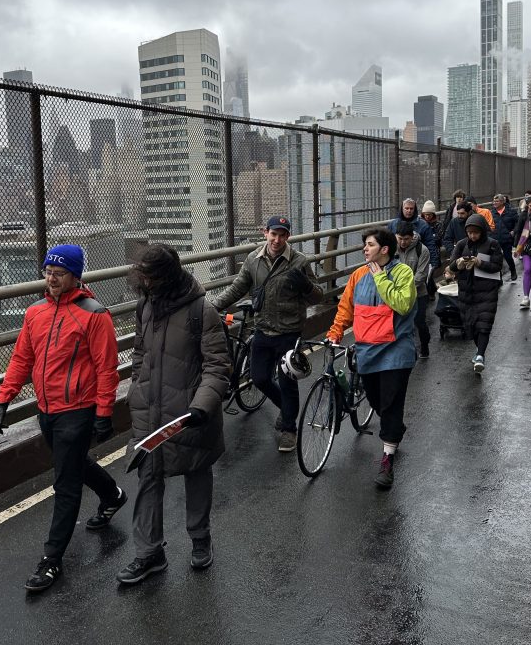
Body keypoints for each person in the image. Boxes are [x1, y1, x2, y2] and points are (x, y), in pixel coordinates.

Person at [0, 244, 125, 593]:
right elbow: (22, 358)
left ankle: (51, 560)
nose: (51, 278)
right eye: (48, 271)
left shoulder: (95, 315)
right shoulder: (35, 312)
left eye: (59, 273)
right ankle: (113, 496)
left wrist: (103, 412)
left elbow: (106, 369)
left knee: (65, 484)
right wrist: (3, 398)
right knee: (74, 464)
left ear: (75, 276)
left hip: (77, 410)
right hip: (46, 410)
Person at [116, 244, 229, 584]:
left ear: (168, 276)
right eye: (143, 277)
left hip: (190, 414)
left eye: (151, 278)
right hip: (149, 414)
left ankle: (200, 539)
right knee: (148, 478)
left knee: (197, 475)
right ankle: (149, 553)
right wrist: (137, 387)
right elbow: (140, 353)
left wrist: (202, 405)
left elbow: (218, 366)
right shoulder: (145, 306)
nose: (145, 283)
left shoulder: (201, 310)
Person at [211, 215, 323, 452]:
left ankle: (289, 430)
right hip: (262, 328)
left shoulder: (299, 261)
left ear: (288, 237)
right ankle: (287, 409)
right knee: (260, 378)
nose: (277, 239)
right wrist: (212, 308)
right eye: (274, 234)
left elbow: (318, 296)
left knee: (287, 381)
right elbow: (237, 288)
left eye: (282, 235)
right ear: (265, 233)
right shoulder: (253, 260)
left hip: (289, 332)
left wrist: (306, 285)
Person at [327, 227, 417, 488]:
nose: (365, 249)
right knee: (377, 401)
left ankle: (387, 461)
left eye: (369, 245)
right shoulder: (357, 275)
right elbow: (346, 308)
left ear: (384, 249)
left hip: (395, 351)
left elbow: (402, 304)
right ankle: (393, 429)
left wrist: (381, 279)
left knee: (390, 403)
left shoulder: (402, 273)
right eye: (364, 245)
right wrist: (335, 332)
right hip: (367, 351)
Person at [446, 214, 504, 373]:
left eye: (476, 232)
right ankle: (479, 351)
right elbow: (451, 265)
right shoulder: (461, 245)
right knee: (471, 325)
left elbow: (498, 265)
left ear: (482, 231)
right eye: (470, 232)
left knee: (484, 324)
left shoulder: (492, 244)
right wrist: (457, 264)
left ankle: (480, 355)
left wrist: (480, 262)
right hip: (466, 291)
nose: (472, 235)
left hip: (487, 290)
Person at [392, 219, 431, 359]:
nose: (403, 242)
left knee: (419, 321)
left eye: (406, 239)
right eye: (400, 239)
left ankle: (424, 344)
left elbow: (421, 275)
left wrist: (405, 289)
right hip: (396, 294)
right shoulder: (390, 249)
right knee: (399, 323)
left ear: (412, 236)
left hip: (418, 293)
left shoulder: (422, 250)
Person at [387, 198, 439, 268]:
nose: (409, 211)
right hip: (397, 262)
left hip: (417, 263)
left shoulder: (423, 225)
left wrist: (433, 263)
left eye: (411, 208)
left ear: (414, 210)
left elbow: (430, 244)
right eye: (406, 208)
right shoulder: (393, 224)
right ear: (402, 209)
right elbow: (387, 243)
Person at [490, 194, 519, 282]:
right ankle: (499, 278)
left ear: (503, 202)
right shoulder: (491, 213)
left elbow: (518, 222)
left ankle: (513, 270)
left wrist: (514, 231)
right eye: (494, 201)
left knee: (507, 256)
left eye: (497, 201)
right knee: (495, 259)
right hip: (494, 239)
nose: (494, 203)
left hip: (506, 238)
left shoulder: (511, 211)